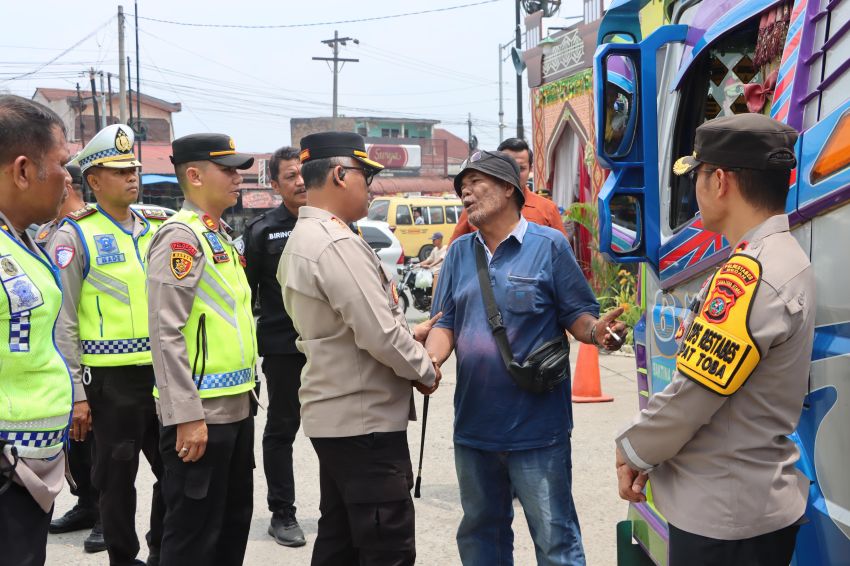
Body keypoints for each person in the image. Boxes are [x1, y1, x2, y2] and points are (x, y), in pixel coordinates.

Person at [615, 113, 813, 566]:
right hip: (743, 505)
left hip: (725, 517)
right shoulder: (777, 258)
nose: (695, 189)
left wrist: (632, 450)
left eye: (697, 176)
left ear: (720, 181)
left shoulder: (752, 274)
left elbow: (695, 393)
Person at [425, 150, 625, 565]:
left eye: (475, 182)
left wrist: (598, 333)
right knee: (481, 537)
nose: (466, 192)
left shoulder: (549, 245)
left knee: (555, 541)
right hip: (475, 427)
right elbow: (445, 323)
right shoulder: (459, 253)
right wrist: (431, 362)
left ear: (508, 189)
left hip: (538, 429)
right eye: (462, 187)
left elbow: (577, 315)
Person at [279, 131, 442, 566]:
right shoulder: (335, 243)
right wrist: (425, 369)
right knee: (385, 547)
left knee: (340, 543)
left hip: (339, 417)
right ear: (339, 174)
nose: (370, 187)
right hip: (364, 422)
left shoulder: (306, 236)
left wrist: (409, 336)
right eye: (365, 176)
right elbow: (381, 335)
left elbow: (349, 328)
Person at [49, 123, 166, 566]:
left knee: (176, 472)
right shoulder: (75, 235)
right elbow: (64, 320)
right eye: (119, 171)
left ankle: (162, 550)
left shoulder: (158, 226)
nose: (131, 176)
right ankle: (123, 557)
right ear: (94, 181)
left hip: (162, 374)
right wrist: (77, 393)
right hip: (109, 381)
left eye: (133, 168)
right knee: (116, 479)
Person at [146, 133, 257, 566]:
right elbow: (165, 331)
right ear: (194, 175)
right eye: (227, 170)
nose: (237, 178)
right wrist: (186, 415)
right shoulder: (181, 238)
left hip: (235, 406)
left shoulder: (219, 236)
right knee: (193, 538)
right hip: (202, 415)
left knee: (230, 527)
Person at [0, 94, 74, 566]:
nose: (68, 177)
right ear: (24, 170)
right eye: (62, 163)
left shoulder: (20, 238)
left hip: (27, 466)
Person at [242, 146, 306, 547]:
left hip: (329, 347)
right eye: (290, 176)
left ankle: (339, 507)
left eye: (303, 173)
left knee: (338, 429)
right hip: (284, 349)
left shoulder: (334, 223)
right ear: (275, 185)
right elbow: (244, 297)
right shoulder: (262, 231)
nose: (300, 181)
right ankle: (282, 512)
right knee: (282, 430)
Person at [42, 162, 104, 553]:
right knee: (75, 440)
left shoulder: (90, 230)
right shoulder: (48, 232)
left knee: (98, 441)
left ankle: (105, 515)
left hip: (90, 356)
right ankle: (86, 504)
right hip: (56, 356)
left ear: (67, 185)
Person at [450, 138, 567, 241]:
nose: (514, 174)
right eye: (507, 168)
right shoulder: (476, 210)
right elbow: (456, 252)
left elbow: (559, 253)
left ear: (530, 169)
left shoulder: (548, 209)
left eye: (521, 168)